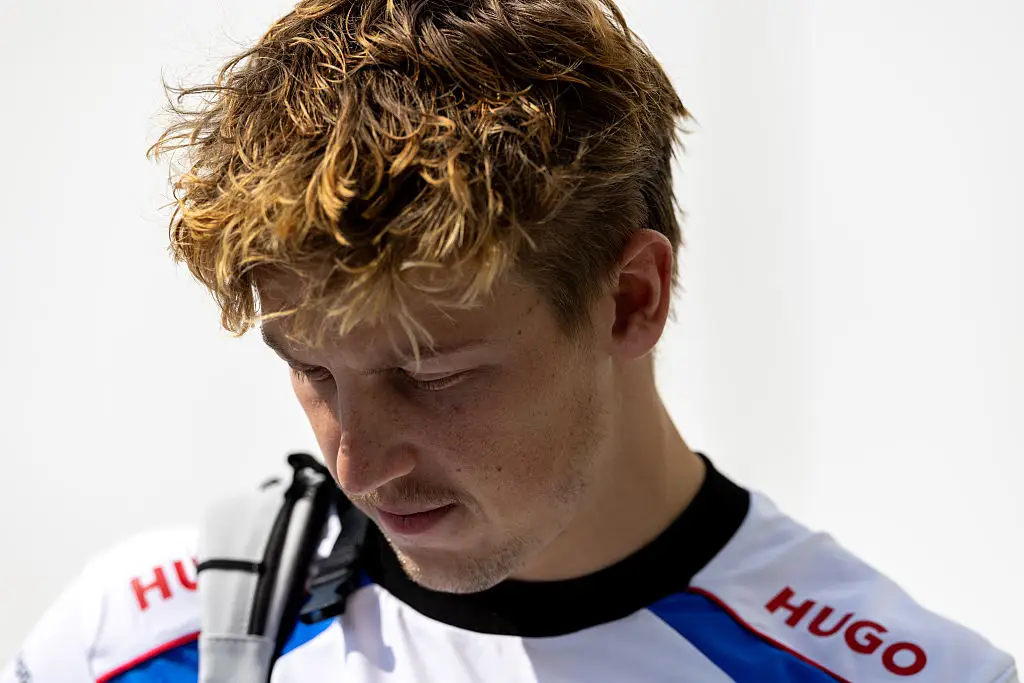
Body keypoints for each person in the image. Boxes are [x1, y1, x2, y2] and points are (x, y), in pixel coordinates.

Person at [2, 0, 1018, 681]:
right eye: (311, 370)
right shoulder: (129, 642)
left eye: (430, 372)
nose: (358, 462)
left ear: (630, 299)